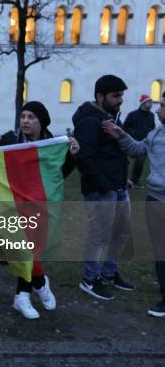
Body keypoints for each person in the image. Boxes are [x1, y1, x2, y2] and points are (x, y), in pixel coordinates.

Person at [0, 101, 79, 319]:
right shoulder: (10, 140)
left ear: (41, 122)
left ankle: (22, 296)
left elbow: (60, 174)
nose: (26, 121)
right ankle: (39, 283)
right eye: (23, 116)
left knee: (30, 250)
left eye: (31, 117)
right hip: (12, 206)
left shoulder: (52, 145)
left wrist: (72, 155)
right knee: (21, 250)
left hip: (40, 207)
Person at [73, 74, 134, 301]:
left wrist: (121, 180)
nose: (120, 100)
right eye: (116, 95)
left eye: (121, 95)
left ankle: (109, 273)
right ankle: (90, 279)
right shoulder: (89, 121)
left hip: (118, 187)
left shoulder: (111, 117)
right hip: (100, 190)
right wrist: (106, 186)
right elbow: (85, 158)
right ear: (100, 96)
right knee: (98, 235)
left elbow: (112, 154)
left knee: (120, 232)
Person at [103, 96, 165, 317]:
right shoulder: (156, 134)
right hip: (155, 199)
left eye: (163, 106)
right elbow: (138, 150)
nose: (158, 111)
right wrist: (120, 134)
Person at [122, 94, 155, 188]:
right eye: (149, 102)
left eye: (151, 102)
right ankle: (122, 180)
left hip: (144, 143)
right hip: (131, 141)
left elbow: (152, 127)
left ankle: (134, 182)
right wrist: (133, 135)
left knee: (140, 164)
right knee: (123, 161)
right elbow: (125, 127)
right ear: (143, 103)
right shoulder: (132, 115)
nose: (151, 104)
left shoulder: (151, 116)